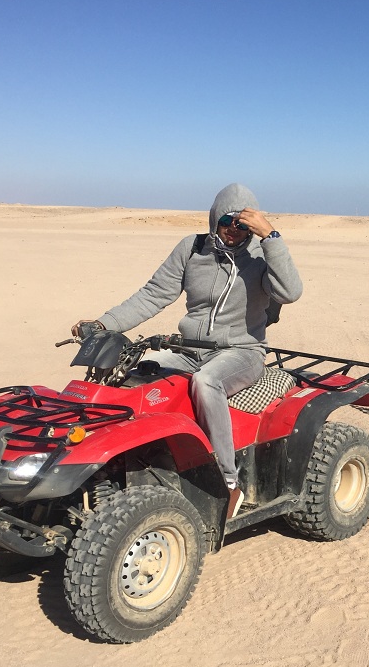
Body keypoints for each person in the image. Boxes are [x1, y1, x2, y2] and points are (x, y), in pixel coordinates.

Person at [71, 183, 303, 517]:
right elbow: (153, 294)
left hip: (241, 351)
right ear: (214, 219)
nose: (234, 229)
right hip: (189, 348)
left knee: (207, 382)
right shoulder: (192, 249)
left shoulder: (260, 256)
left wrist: (270, 236)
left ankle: (227, 481)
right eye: (226, 221)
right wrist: (105, 324)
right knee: (135, 373)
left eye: (242, 223)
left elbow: (290, 292)